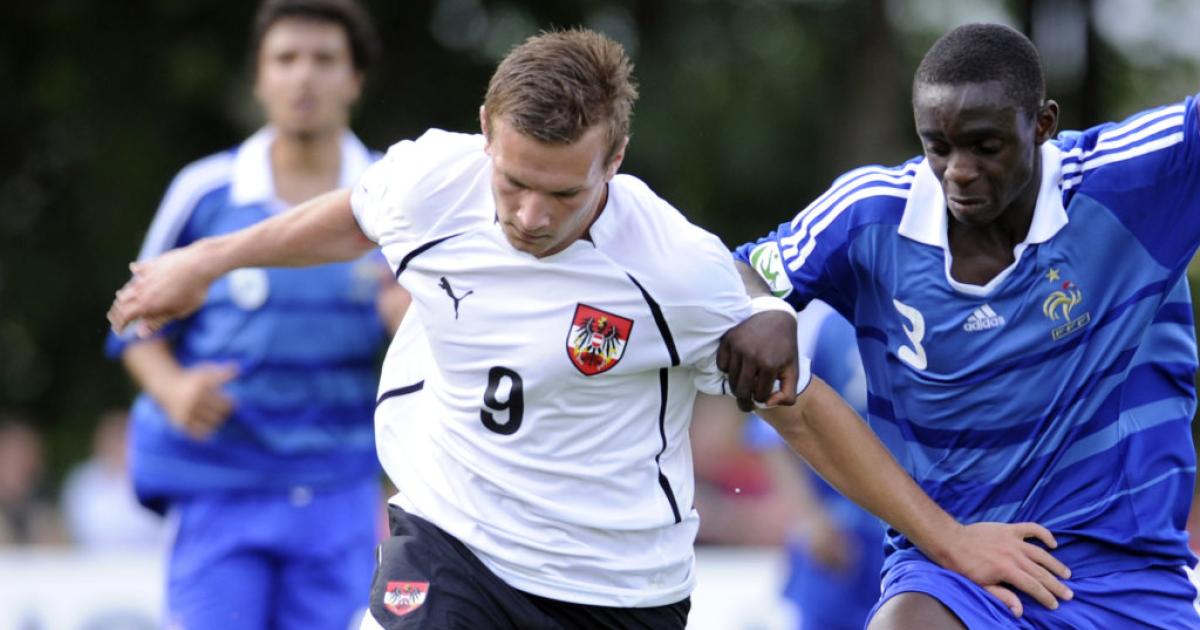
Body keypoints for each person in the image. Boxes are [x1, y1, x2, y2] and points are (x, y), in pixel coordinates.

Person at [108, 29, 1073, 630]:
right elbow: (354, 216)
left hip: (613, 586)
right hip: (450, 530)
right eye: (512, 180)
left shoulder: (676, 269)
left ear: (614, 157)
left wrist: (950, 542)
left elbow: (804, 413)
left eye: (561, 192)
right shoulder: (429, 176)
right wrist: (211, 260)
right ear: (486, 128)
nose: (528, 214)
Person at [723, 22, 1200, 629]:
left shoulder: (1135, 180)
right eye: (938, 147)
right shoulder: (870, 217)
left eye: (985, 146)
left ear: (1043, 124)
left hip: (1126, 575)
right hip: (954, 572)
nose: (958, 172)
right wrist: (765, 308)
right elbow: (736, 273)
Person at [105, 1, 405, 627]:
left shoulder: (396, 197)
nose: (304, 77)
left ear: (355, 79)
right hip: (221, 481)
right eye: (286, 59)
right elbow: (134, 319)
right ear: (260, 78)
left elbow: (452, 333)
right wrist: (174, 387)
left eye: (324, 60)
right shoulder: (205, 191)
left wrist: (401, 313)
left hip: (338, 487)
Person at [743, 300, 885, 630]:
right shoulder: (817, 318)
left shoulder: (927, 301)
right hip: (841, 534)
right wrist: (810, 519)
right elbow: (772, 433)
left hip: (916, 536)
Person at [60, 408, 164, 548]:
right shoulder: (82, 480)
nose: (117, 445)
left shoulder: (153, 478)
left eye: (122, 437)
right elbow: (69, 530)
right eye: (112, 438)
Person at [0, 416, 63, 546]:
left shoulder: (44, 508)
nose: (19, 464)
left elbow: (61, 553)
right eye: (11, 458)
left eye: (25, 456)